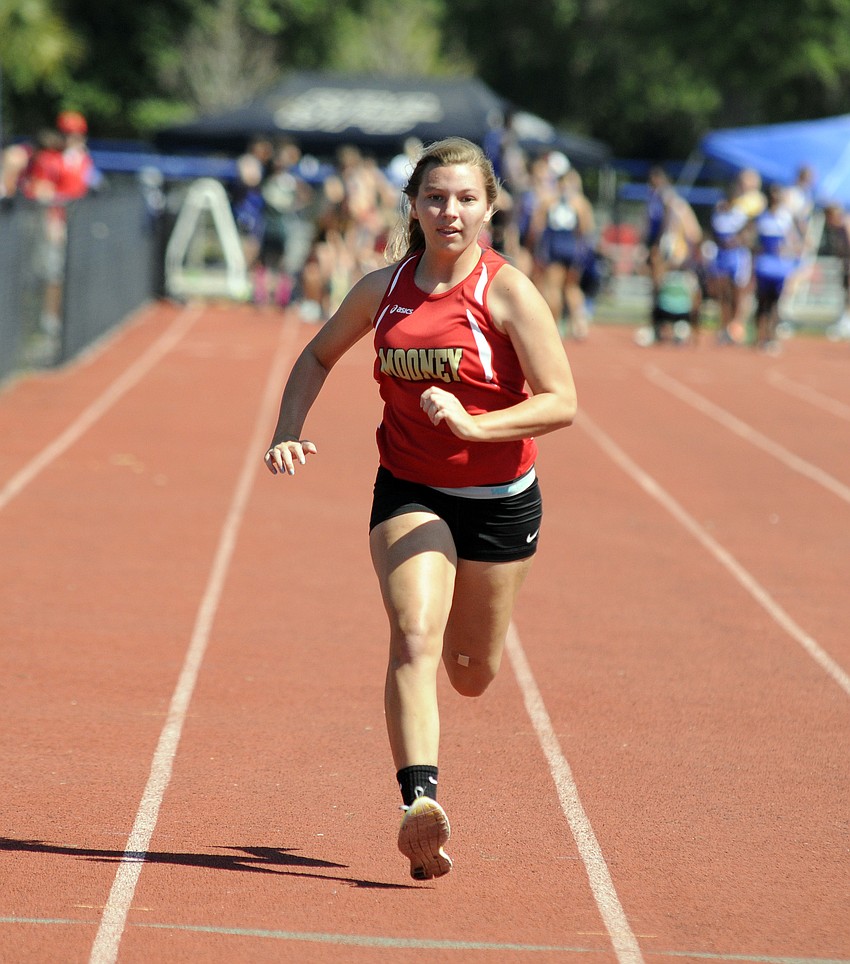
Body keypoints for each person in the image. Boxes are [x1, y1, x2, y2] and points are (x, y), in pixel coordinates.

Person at [263, 137, 577, 881]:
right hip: (409, 488)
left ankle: (459, 691)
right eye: (436, 197)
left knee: (472, 672)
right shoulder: (384, 288)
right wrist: (287, 432)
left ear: (490, 206)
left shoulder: (508, 293)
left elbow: (561, 402)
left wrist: (475, 425)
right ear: (414, 205)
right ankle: (419, 806)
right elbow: (316, 356)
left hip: (500, 500)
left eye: (466, 198)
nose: (451, 212)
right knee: (412, 636)